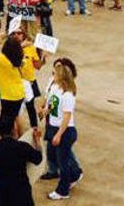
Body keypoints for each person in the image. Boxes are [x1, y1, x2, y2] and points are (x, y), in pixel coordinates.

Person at [42, 59, 82, 201]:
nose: (53, 75)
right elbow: (52, 103)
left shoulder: (68, 95)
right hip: (53, 126)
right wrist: (46, 110)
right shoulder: (55, 87)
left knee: (62, 162)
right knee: (55, 157)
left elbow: (67, 117)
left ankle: (62, 191)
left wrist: (59, 134)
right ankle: (75, 174)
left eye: (56, 73)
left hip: (64, 131)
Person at [0, 114, 43, 206]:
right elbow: (38, 159)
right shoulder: (22, 147)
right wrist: (37, 141)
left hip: (4, 194)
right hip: (22, 193)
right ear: (14, 129)